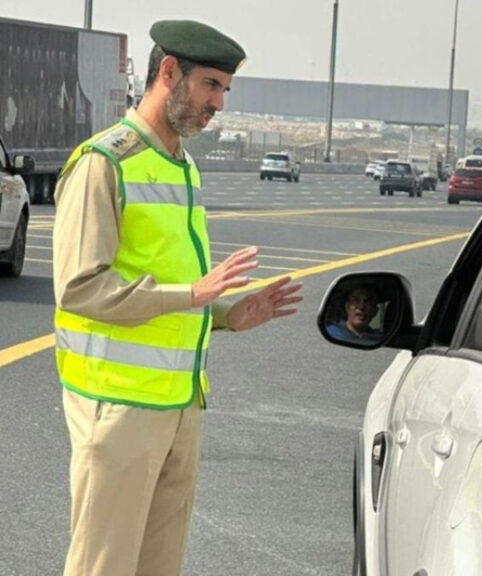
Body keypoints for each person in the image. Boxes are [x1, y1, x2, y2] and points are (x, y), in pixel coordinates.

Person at [51, 20, 303, 576]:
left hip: (179, 407)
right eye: (211, 85)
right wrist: (193, 292)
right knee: (104, 567)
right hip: (118, 411)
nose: (218, 104)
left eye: (224, 91)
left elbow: (168, 288)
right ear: (168, 72)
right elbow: (79, 288)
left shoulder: (182, 166)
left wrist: (227, 314)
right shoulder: (104, 163)